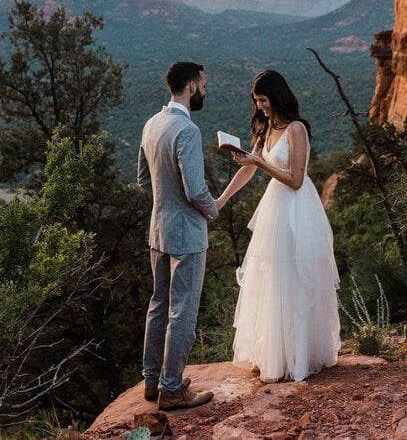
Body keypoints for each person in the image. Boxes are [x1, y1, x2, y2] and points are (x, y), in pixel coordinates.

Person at [216, 69, 340, 383]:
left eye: (263, 100)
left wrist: (259, 163)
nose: (260, 107)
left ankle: (298, 355)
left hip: (297, 209)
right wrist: (221, 200)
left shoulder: (297, 129)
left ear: (277, 95)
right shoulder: (266, 127)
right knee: (271, 278)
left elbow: (296, 181)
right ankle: (273, 353)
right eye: (256, 102)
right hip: (274, 209)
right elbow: (248, 171)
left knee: (295, 278)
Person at [138, 61, 221, 410]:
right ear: (190, 87)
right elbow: (196, 189)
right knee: (183, 312)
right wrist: (213, 209)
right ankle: (172, 389)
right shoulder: (187, 131)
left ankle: (152, 382)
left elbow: (144, 180)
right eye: (203, 84)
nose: (205, 89)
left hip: (158, 230)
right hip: (186, 234)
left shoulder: (152, 123)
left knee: (158, 306)